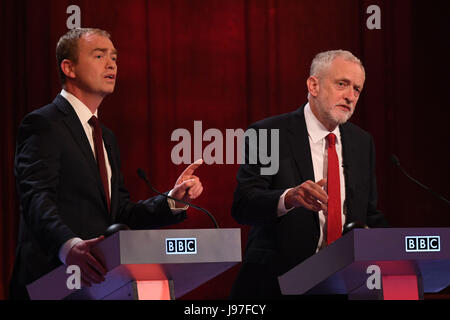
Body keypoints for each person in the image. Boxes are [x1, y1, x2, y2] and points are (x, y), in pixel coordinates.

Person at [9, 28, 204, 299]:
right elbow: (36, 199)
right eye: (99, 55)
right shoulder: (43, 124)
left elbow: (119, 214)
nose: (112, 64)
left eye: (114, 57)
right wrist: (69, 246)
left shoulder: (106, 137)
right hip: (53, 280)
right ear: (69, 68)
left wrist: (171, 200)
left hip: (101, 284)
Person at [230, 50, 389, 299]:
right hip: (278, 283)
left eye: (357, 89)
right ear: (313, 85)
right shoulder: (268, 133)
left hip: (344, 284)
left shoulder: (361, 142)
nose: (350, 96)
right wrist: (289, 198)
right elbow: (244, 204)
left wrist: (398, 251)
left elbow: (369, 214)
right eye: (342, 84)